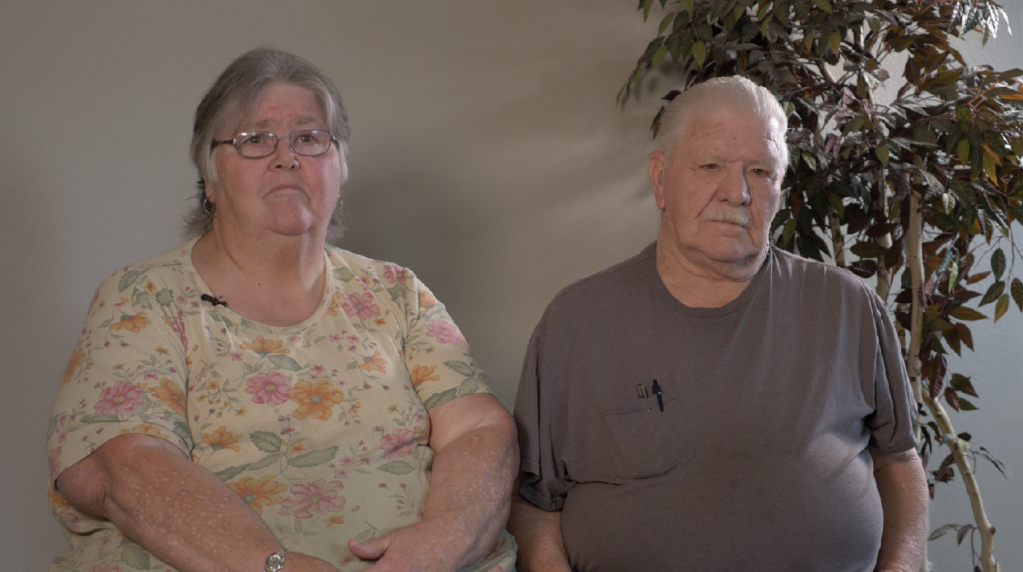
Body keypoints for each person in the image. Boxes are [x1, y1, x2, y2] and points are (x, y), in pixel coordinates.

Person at [47, 47, 517, 572]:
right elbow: (123, 467)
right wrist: (270, 566)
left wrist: (442, 542)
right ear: (209, 178)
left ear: (339, 168)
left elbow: (478, 428)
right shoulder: (144, 296)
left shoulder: (396, 292)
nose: (286, 157)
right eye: (254, 139)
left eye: (310, 138)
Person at [508, 76, 928, 571]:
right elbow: (535, 503)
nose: (737, 192)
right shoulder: (575, 323)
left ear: (778, 189)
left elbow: (899, 461)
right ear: (660, 178)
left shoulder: (847, 305)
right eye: (710, 166)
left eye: (759, 171)